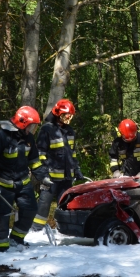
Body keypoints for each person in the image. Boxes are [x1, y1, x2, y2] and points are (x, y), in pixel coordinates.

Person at [0, 106, 46, 252]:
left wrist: (43, 178)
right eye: (31, 126)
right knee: (2, 216)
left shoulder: (28, 138)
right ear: (23, 123)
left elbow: (34, 161)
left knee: (30, 210)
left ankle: (17, 240)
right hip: (3, 184)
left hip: (23, 183)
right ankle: (0, 247)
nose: (33, 129)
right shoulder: (0, 137)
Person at [31, 98, 85, 233]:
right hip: (50, 177)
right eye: (66, 115)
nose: (68, 118)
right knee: (44, 203)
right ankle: (36, 230)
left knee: (66, 204)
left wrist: (76, 169)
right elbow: (40, 154)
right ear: (58, 114)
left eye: (70, 116)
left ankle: (64, 229)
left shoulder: (70, 131)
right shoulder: (47, 130)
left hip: (67, 178)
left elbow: (72, 153)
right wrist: (43, 174)